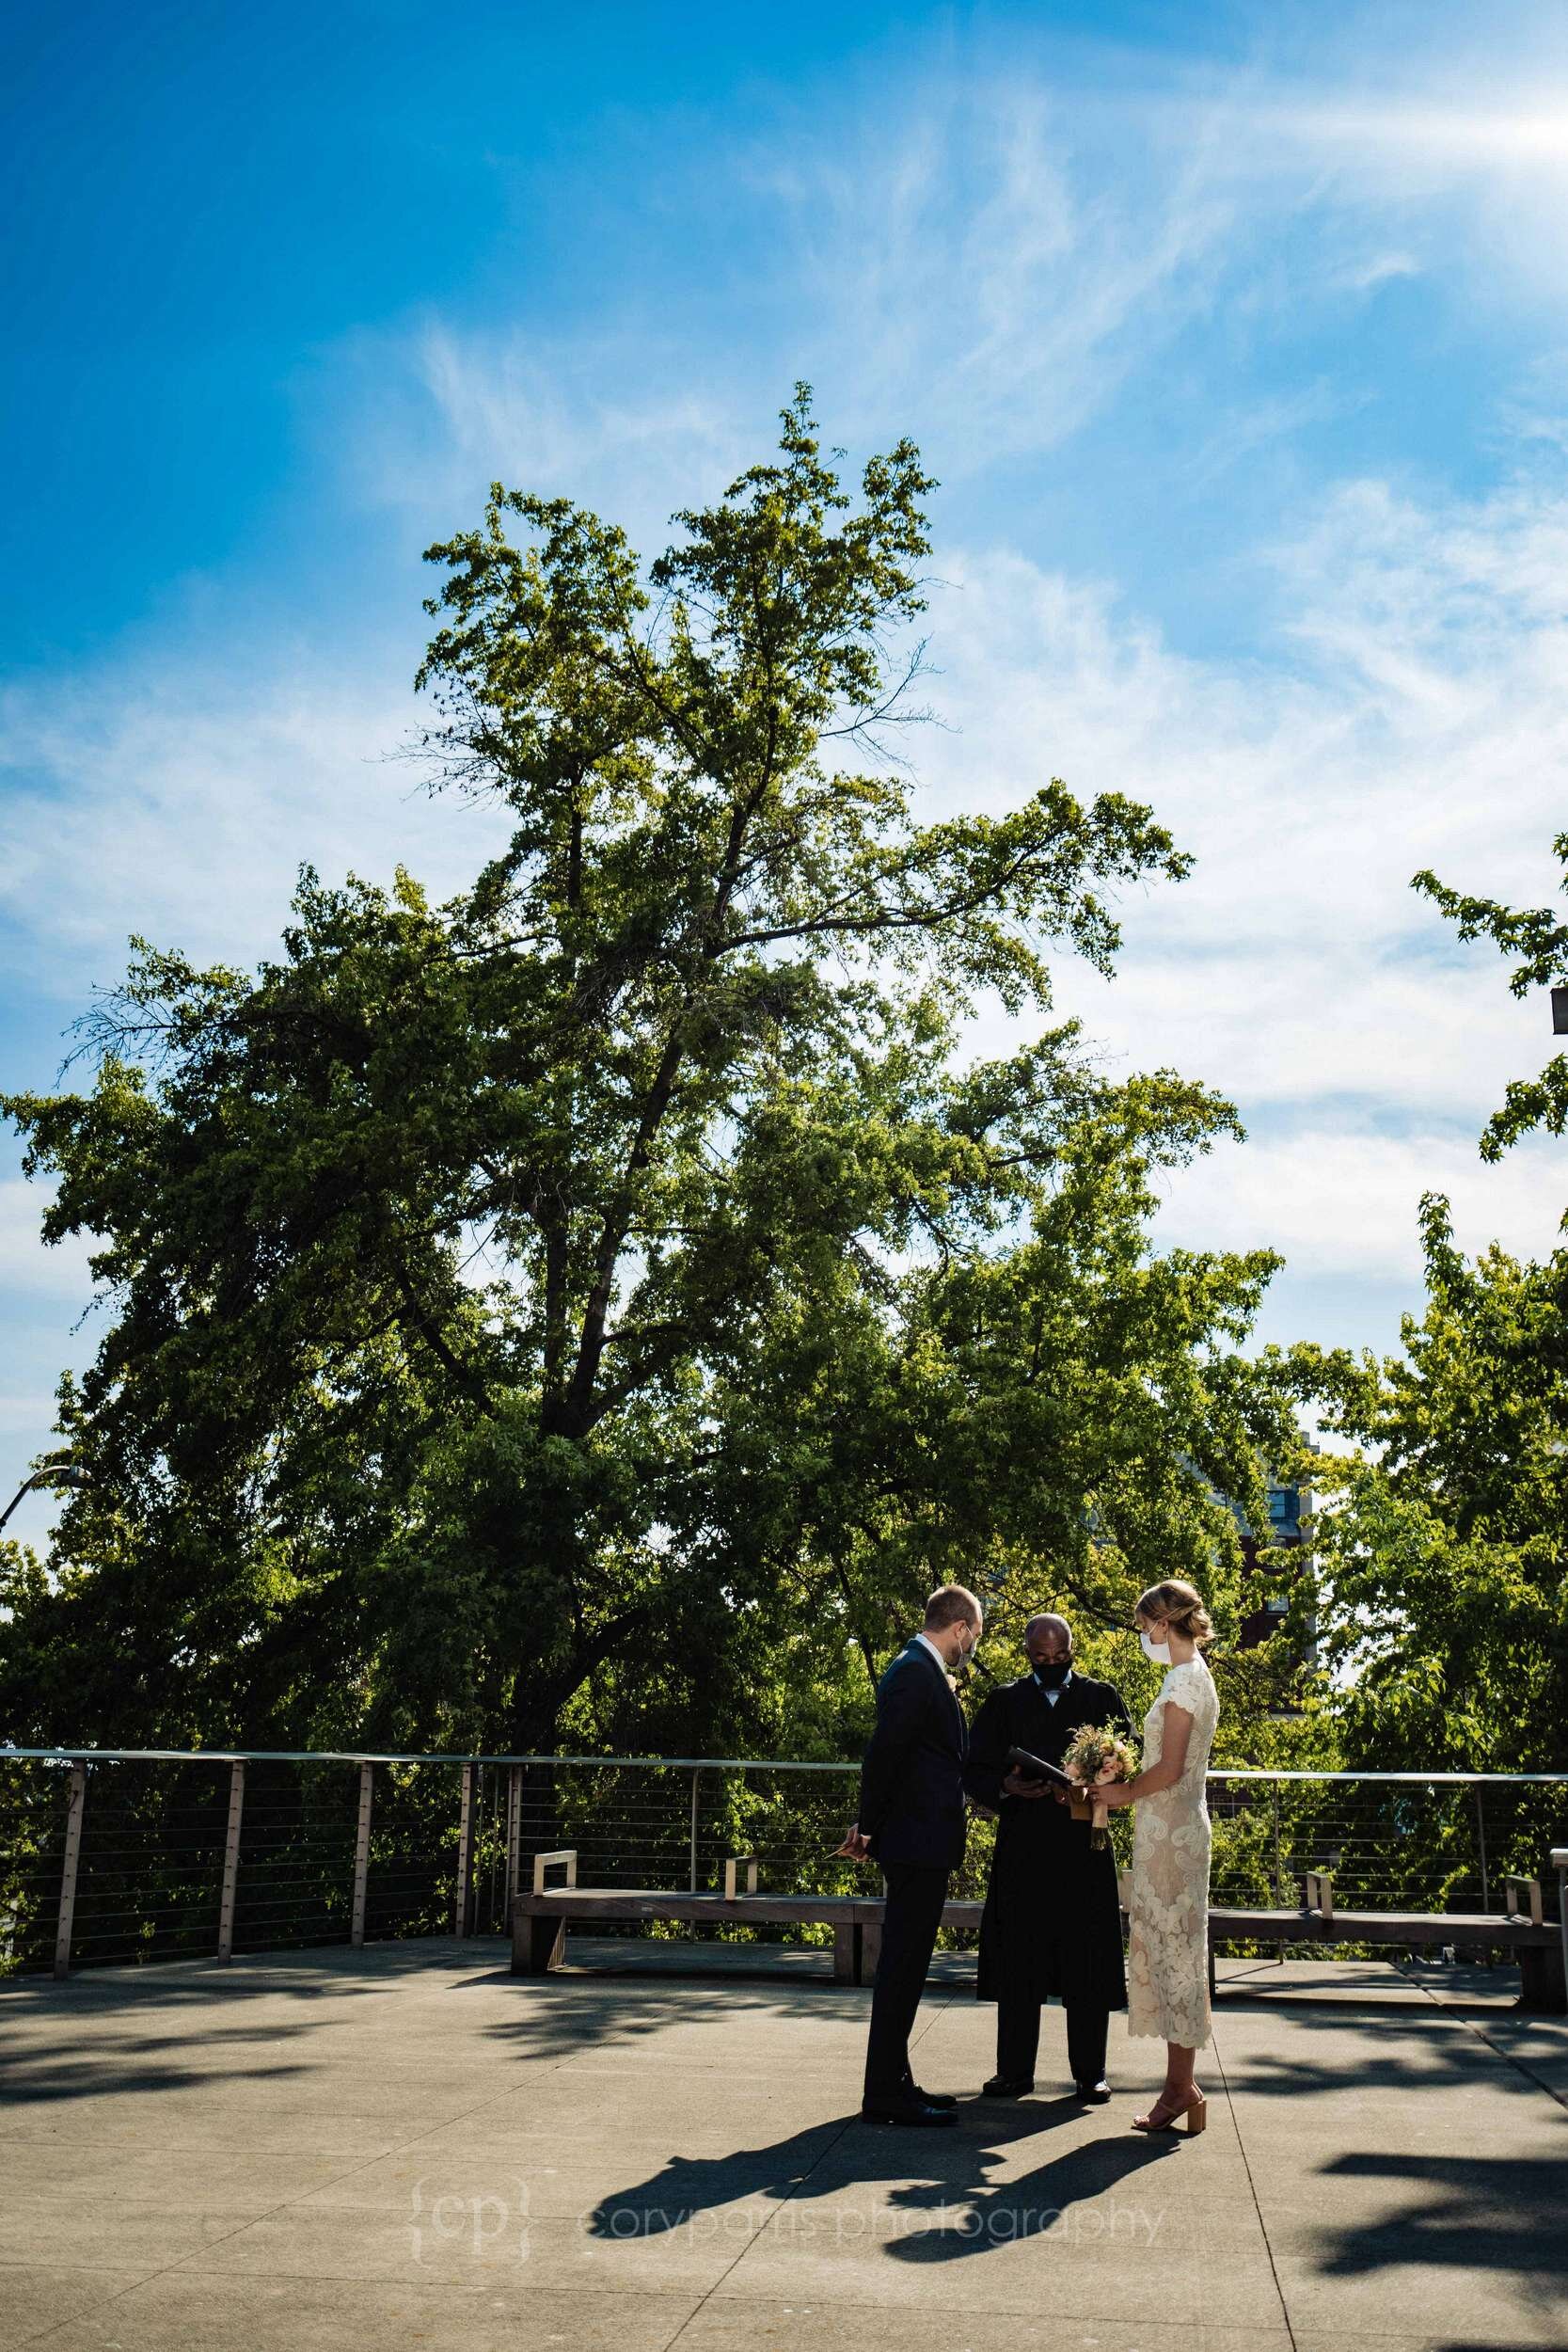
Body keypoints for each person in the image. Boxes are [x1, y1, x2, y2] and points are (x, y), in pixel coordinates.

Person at [962, 1613, 1133, 2102]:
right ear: (1027, 1654)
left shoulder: (1101, 1696)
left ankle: (1090, 2072)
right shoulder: (1003, 1701)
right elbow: (973, 1769)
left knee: (1087, 1960)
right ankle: (1014, 2071)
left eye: (1061, 1656)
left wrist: (1093, 1784)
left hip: (1085, 1848)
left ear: (1073, 1649)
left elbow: (1129, 1762)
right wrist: (1005, 1785)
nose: (1053, 1664)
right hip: (1024, 1849)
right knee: (1019, 1960)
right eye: (1042, 1657)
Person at [841, 1583, 982, 2127]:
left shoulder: (920, 1671)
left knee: (909, 1965)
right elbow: (884, 1755)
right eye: (975, 1635)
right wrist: (869, 1830)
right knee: (902, 1966)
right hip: (915, 1844)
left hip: (923, 1841)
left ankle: (895, 2081)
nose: (972, 1647)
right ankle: (884, 2093)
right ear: (960, 1628)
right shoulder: (913, 1672)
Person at [1091, 1579, 1220, 2135]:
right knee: (1173, 1952)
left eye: (1145, 1625)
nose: (1143, 1634)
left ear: (1164, 1624)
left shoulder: (1184, 1680)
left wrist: (1121, 1792)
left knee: (1177, 1955)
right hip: (1172, 1830)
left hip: (1172, 1836)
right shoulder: (1192, 1677)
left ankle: (1180, 2088)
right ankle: (1178, 2085)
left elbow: (1168, 1767)